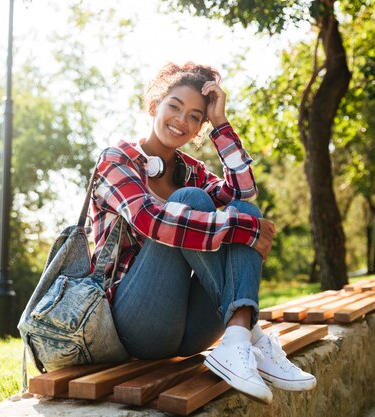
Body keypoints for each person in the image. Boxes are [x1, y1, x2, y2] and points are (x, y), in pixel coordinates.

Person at [90, 62, 316, 403]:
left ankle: (239, 337)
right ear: (154, 106)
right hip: (136, 324)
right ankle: (251, 333)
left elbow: (244, 190)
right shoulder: (117, 160)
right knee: (191, 200)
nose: (182, 121)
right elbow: (152, 221)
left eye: (196, 116)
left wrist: (221, 123)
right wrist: (240, 229)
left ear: (200, 127)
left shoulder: (190, 170)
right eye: (175, 107)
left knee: (244, 210)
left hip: (192, 332)